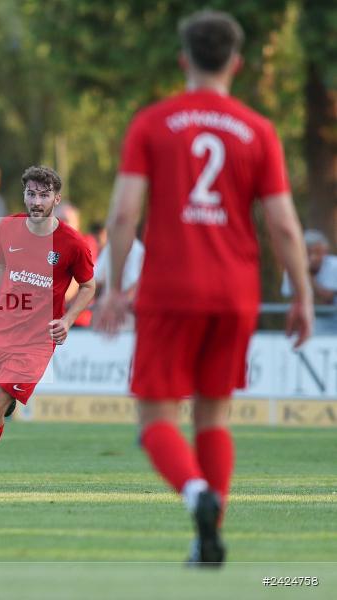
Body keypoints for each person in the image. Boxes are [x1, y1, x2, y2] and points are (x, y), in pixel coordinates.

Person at [94, 10, 314, 566]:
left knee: (156, 420)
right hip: (235, 292)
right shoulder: (258, 131)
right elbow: (285, 225)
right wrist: (303, 295)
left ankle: (197, 496)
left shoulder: (152, 123)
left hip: (170, 289)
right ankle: (208, 536)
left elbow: (123, 216)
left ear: (184, 60)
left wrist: (116, 287)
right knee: (214, 417)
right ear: (236, 64)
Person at [0, 166, 95, 469]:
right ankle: (3, 402)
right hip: (0, 330)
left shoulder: (73, 244)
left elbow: (89, 286)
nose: (36, 201)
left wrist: (67, 320)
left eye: (44, 195)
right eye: (31, 194)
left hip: (36, 342)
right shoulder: (8, 227)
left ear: (56, 199)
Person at [281, 230, 337, 333]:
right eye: (308, 253)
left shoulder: (334, 266)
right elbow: (291, 301)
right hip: (304, 325)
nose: (313, 257)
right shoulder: (291, 268)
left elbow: (327, 301)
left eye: (317, 252)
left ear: (325, 252)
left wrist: (305, 276)